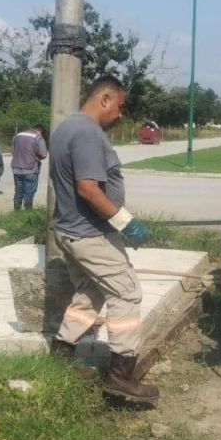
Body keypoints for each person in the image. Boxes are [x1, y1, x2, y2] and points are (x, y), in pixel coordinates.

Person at [48, 75, 158, 403]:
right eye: (120, 106)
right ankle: (121, 376)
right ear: (105, 100)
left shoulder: (68, 128)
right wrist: (127, 223)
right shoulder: (86, 133)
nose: (121, 114)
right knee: (127, 292)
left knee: (91, 293)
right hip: (89, 233)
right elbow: (88, 189)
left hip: (73, 231)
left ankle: (60, 355)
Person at [10, 123, 48, 211]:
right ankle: (28, 213)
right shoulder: (38, 137)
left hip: (16, 169)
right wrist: (37, 157)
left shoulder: (17, 136)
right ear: (40, 131)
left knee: (18, 192)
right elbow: (43, 154)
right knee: (29, 192)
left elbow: (13, 152)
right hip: (30, 170)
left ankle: (17, 213)